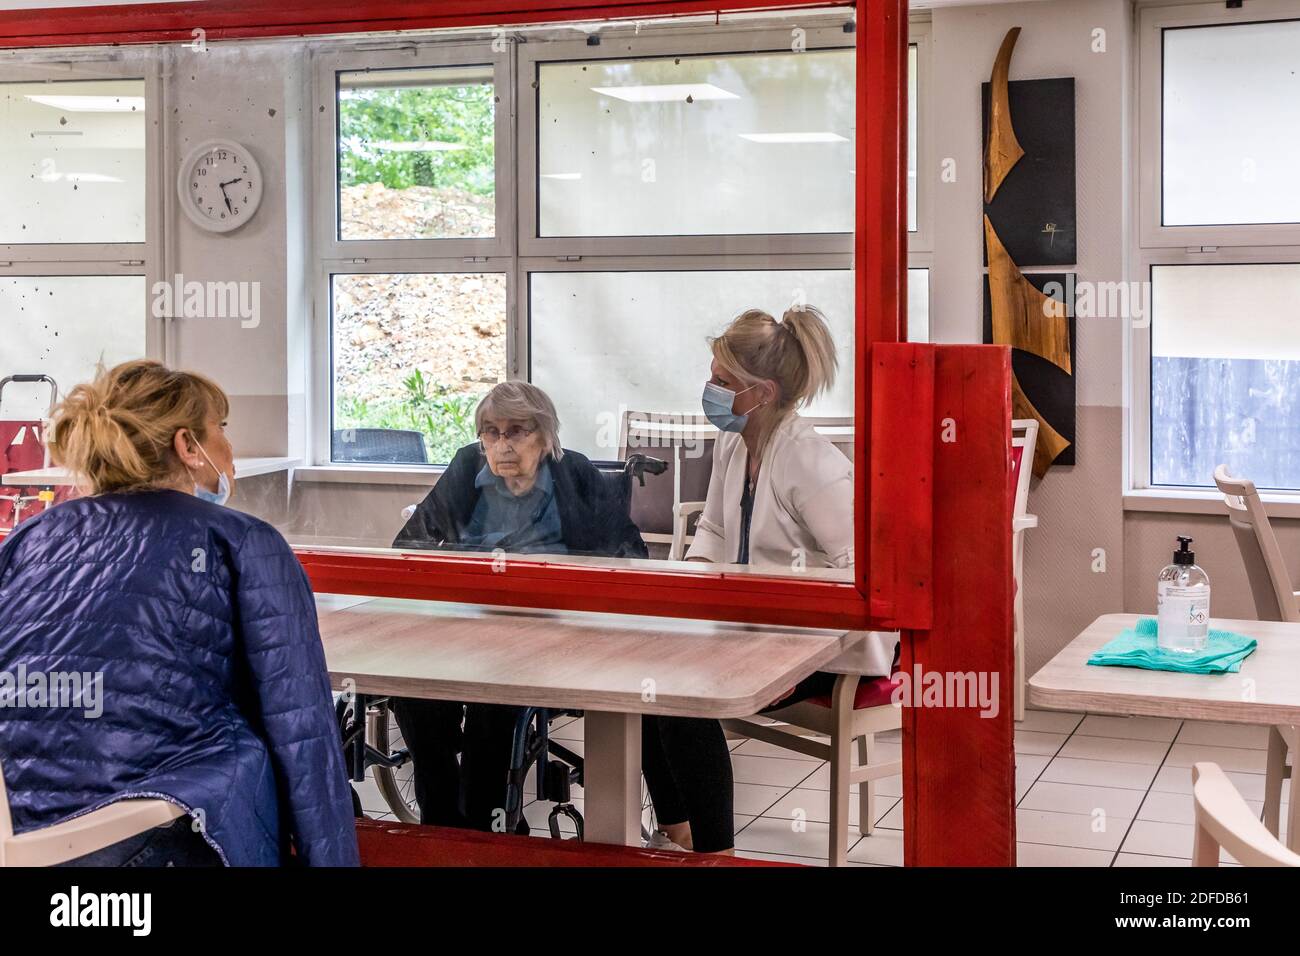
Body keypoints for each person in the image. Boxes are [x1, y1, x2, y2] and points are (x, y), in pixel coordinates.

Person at [0, 360, 358, 867]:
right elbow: (302, 731)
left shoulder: (29, 538)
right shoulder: (242, 541)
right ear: (189, 447)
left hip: (23, 833)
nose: (230, 449)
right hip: (148, 838)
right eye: (222, 430)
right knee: (244, 751)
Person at [643, 305, 895, 854]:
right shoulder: (736, 443)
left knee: (685, 699)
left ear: (762, 391)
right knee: (648, 677)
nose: (708, 389)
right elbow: (711, 529)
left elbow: (862, 569)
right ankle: (678, 830)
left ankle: (716, 851)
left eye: (721, 381)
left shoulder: (811, 460)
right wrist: (684, 593)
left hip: (821, 647)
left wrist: (775, 609)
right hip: (751, 631)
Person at [390, 381, 646, 832]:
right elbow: (409, 545)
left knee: (495, 700)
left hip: (548, 625)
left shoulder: (575, 472)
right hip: (467, 621)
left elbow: (629, 554)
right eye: (491, 432)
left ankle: (482, 827)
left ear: (545, 437)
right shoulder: (467, 466)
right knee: (413, 692)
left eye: (516, 432)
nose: (501, 444)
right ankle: (443, 825)